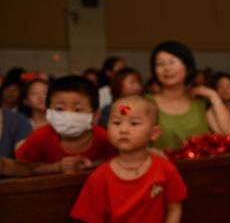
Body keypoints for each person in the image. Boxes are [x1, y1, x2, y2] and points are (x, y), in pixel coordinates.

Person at [71, 95, 187, 223]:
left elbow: (174, 208)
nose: (123, 130)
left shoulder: (165, 169)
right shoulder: (100, 177)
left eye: (134, 123)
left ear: (154, 133)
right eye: (116, 123)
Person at [16, 76, 116, 174]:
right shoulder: (40, 137)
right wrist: (56, 167)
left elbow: (117, 160)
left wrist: (91, 165)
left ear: (95, 115)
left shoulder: (103, 137)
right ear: (49, 111)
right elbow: (22, 167)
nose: (68, 115)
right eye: (59, 109)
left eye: (77, 110)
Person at [148, 41, 230, 151]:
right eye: (160, 64)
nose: (166, 68)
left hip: (201, 167)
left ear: (188, 68)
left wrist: (213, 96)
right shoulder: (147, 103)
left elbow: (228, 134)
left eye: (172, 62)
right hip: (162, 167)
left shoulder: (200, 103)